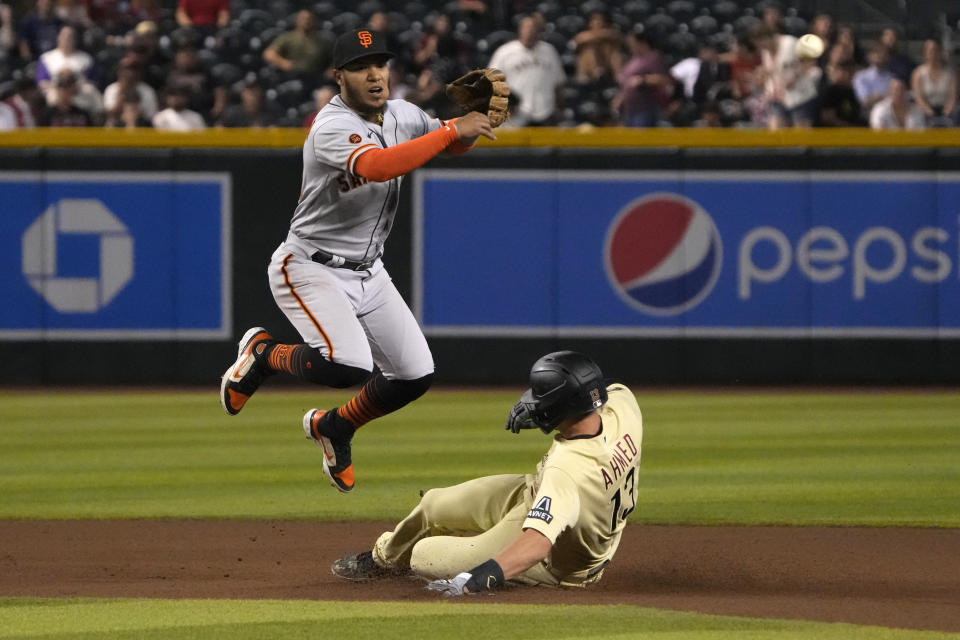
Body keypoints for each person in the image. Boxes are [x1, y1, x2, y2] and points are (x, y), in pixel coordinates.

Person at [219, 29, 496, 494]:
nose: (375, 75)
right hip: (309, 265)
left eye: (381, 64)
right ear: (338, 76)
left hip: (370, 269)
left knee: (414, 375)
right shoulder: (329, 126)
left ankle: (336, 427)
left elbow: (452, 145)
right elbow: (378, 167)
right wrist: (453, 127)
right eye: (360, 66)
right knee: (346, 366)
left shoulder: (403, 114)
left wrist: (474, 122)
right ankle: (263, 354)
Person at [329, 351, 643, 595]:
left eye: (542, 400)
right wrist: (555, 409)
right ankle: (383, 558)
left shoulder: (568, 470)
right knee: (433, 504)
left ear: (562, 407)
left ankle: (517, 578)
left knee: (423, 555)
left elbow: (536, 544)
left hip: (558, 563)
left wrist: (482, 576)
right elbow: (602, 390)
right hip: (534, 495)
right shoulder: (623, 407)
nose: (534, 405)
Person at [488, 15, 565, 126]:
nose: (530, 31)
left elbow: (559, 83)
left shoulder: (549, 51)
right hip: (517, 113)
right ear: (520, 29)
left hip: (546, 111)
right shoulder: (505, 52)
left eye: (533, 28)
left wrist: (559, 108)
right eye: (527, 27)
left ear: (539, 31)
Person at [615, 29, 669, 127]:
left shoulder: (653, 57)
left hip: (644, 108)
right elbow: (627, 81)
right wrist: (621, 97)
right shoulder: (633, 59)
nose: (630, 45)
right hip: (629, 108)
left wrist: (642, 80)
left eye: (632, 42)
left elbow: (663, 79)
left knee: (641, 140)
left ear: (642, 43)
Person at [262, 10, 333, 83]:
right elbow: (269, 53)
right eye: (303, 19)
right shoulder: (288, 38)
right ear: (297, 21)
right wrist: (283, 62)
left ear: (314, 21)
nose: (306, 21)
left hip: (317, 77)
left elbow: (334, 58)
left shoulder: (323, 41)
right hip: (293, 77)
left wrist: (331, 70)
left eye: (309, 19)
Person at [910, 39, 957, 127]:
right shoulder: (918, 73)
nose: (933, 53)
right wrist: (930, 113)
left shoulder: (951, 74)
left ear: (941, 52)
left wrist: (946, 112)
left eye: (936, 50)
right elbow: (918, 98)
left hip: (947, 111)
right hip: (925, 111)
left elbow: (952, 97)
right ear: (925, 53)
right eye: (930, 50)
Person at [571, 10, 623, 85]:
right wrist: (597, 36)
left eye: (599, 20)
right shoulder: (583, 34)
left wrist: (595, 35)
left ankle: (619, 75)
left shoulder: (611, 33)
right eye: (594, 20)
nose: (597, 22)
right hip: (590, 69)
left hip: (607, 65)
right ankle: (592, 73)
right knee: (589, 50)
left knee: (610, 49)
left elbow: (615, 36)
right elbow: (578, 40)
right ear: (589, 23)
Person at [103, 56, 158, 122]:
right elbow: (110, 114)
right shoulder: (112, 89)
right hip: (115, 127)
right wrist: (121, 93)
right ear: (119, 71)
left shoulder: (147, 91)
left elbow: (150, 116)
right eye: (126, 69)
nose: (130, 73)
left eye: (134, 69)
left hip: (140, 126)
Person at [853, 44, 893, 116]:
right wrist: (886, 96)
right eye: (877, 54)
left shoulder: (892, 77)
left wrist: (877, 96)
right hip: (868, 115)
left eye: (884, 54)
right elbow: (865, 101)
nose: (880, 57)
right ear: (870, 56)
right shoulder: (861, 76)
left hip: (889, 114)